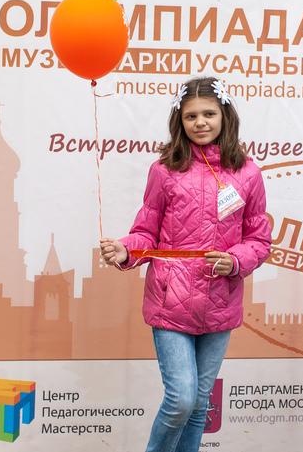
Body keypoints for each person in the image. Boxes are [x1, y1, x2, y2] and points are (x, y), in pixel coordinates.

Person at [100, 76, 271, 452]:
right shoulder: (164, 169)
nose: (200, 122)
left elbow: (259, 241)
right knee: (181, 399)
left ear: (225, 116)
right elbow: (146, 232)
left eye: (209, 113)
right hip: (170, 301)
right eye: (191, 116)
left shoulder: (248, 173)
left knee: (198, 405)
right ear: (180, 121)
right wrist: (126, 250)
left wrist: (235, 261)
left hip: (221, 302)